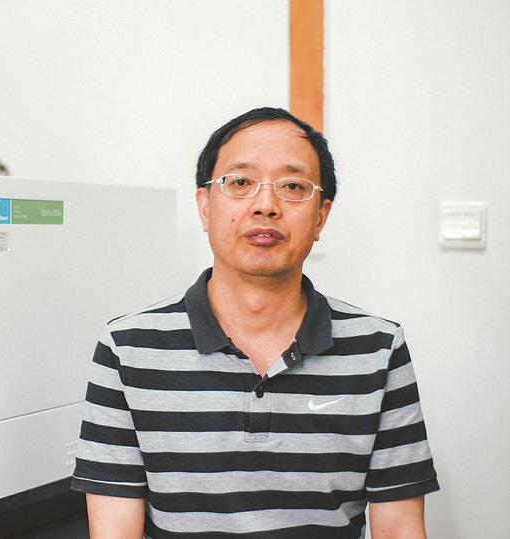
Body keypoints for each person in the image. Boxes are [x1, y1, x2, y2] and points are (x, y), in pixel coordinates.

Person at [70, 107, 439, 539]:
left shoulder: (378, 349)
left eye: (293, 186)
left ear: (320, 217)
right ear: (205, 207)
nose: (266, 205)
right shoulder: (128, 348)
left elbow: (400, 529)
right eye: (241, 182)